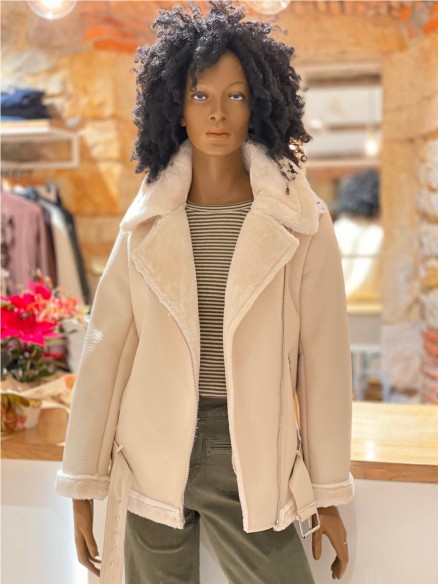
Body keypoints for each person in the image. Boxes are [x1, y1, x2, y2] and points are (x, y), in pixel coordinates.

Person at [55, 2, 354, 582]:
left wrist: (328, 493)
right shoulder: (147, 221)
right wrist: (83, 485)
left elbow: (323, 365)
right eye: (200, 95)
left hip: (249, 455)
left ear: (260, 104)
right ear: (176, 105)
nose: (218, 113)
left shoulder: (301, 222)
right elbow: (104, 352)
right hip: (149, 453)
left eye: (236, 95)